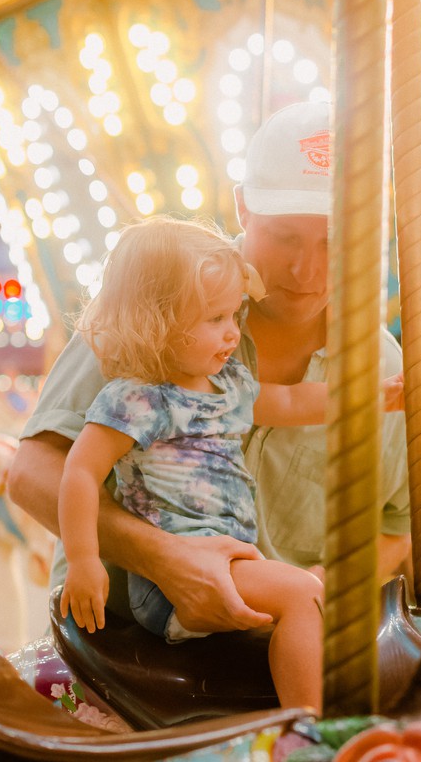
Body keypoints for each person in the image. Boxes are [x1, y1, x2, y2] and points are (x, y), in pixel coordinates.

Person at [7, 100, 411, 637]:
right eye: (285, 236)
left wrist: (319, 586)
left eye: (334, 242)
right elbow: (33, 473)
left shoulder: (381, 364)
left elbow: (397, 525)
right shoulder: (153, 306)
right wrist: (162, 558)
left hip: (273, 644)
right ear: (243, 208)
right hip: (121, 638)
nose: (306, 270)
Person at [58, 216, 337, 710]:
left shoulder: (226, 385)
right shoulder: (137, 399)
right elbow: (79, 472)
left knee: (316, 591)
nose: (232, 334)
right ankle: (309, 733)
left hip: (227, 558)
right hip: (169, 585)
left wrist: (367, 396)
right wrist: (83, 560)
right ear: (157, 321)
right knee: (303, 593)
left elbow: (291, 404)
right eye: (215, 320)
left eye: (234, 316)